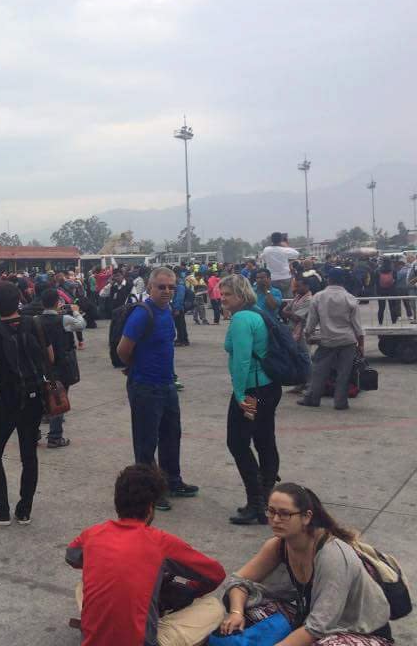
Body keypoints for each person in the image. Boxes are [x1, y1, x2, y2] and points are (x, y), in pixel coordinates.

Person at [66, 464, 226, 646]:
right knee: (213, 607)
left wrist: (111, 565)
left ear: (117, 501)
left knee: (83, 585)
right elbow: (216, 574)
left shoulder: (92, 534)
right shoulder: (162, 542)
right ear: (150, 508)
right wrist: (192, 590)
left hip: (91, 642)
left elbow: (71, 556)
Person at [220, 483, 392, 645]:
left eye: (285, 514)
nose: (275, 519)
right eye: (271, 511)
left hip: (362, 632)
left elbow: (319, 626)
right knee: (250, 606)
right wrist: (236, 613)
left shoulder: (332, 555)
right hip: (313, 621)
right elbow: (238, 581)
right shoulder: (279, 545)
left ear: (306, 517)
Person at [116, 267, 198, 511]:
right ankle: (148, 492)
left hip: (167, 385)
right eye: (161, 287)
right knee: (145, 443)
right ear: (150, 287)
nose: (166, 291)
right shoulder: (143, 314)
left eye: (171, 287)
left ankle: (172, 481)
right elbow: (122, 350)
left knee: (171, 436)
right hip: (145, 387)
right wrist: (137, 367)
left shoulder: (167, 312)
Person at [0, 280, 49, 526]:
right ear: (18, 299)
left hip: (7, 399)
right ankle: (24, 510)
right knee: (29, 455)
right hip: (35, 397)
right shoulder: (35, 323)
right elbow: (50, 357)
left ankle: (1, 510)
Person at [219, 274, 282, 526]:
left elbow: (242, 360)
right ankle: (266, 499)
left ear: (241, 295)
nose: (223, 298)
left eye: (228, 294)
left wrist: (239, 394)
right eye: (221, 294)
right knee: (265, 440)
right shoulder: (257, 312)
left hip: (253, 389)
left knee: (237, 442)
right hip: (268, 386)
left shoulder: (242, 319)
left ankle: (256, 502)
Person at [299, 269, 363, 411]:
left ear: (328, 280)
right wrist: (361, 345)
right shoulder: (350, 298)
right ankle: (340, 403)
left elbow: (312, 321)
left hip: (327, 340)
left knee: (318, 371)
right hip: (347, 340)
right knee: (344, 373)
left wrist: (308, 334)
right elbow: (357, 326)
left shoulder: (318, 297)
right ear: (343, 281)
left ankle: (312, 399)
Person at [35, 288, 83, 448]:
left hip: (41, 367)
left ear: (42, 303)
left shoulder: (35, 320)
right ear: (58, 302)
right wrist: (76, 312)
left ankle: (34, 434)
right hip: (61, 367)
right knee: (58, 398)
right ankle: (55, 437)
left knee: (40, 398)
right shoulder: (64, 319)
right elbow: (81, 325)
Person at [282, 275, 313, 394]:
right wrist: (290, 313)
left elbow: (296, 316)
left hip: (303, 331)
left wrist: (289, 313)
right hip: (293, 330)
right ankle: (300, 383)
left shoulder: (309, 300)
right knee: (297, 358)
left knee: (305, 358)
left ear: (306, 286)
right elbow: (284, 311)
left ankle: (309, 384)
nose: (296, 288)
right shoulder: (297, 297)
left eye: (299, 286)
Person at [261, 232, 300, 298]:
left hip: (272, 278)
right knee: (287, 298)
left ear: (271, 240)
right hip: (285, 278)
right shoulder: (284, 250)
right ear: (281, 240)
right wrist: (285, 246)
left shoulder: (266, 250)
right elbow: (297, 254)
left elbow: (263, 257)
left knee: (274, 297)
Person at [375, 257, 400, 325]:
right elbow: (395, 280)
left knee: (381, 308)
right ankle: (394, 322)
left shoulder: (378, 270)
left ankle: (380, 323)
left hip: (380, 291)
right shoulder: (393, 270)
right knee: (392, 307)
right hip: (391, 291)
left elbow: (376, 282)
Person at [171, 273, 190, 346]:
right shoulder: (180, 284)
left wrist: (177, 309)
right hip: (178, 307)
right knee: (179, 324)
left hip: (179, 308)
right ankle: (182, 339)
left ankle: (182, 340)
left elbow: (179, 298)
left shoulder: (180, 286)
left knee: (180, 324)